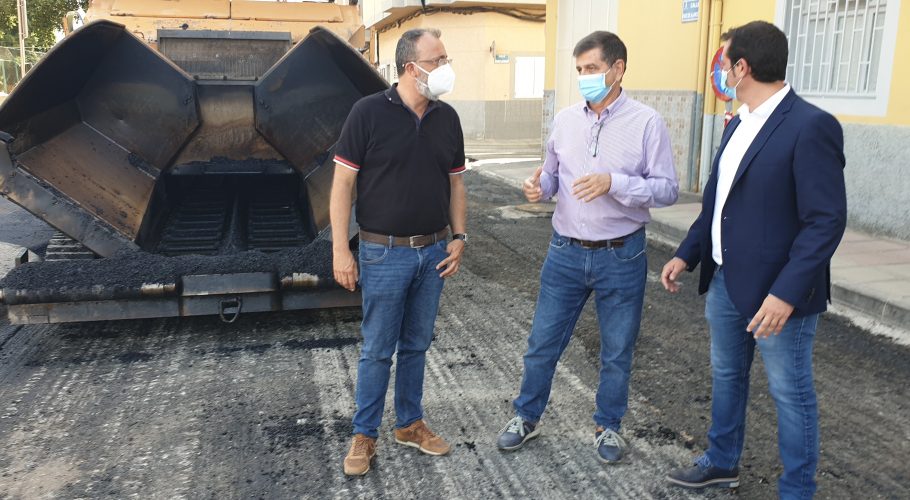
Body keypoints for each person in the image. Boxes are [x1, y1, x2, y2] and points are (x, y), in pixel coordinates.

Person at [660, 21, 847, 498]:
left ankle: (797, 490)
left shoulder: (811, 125)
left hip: (778, 297)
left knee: (790, 393)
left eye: (724, 64)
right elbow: (719, 204)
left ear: (741, 67)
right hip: (726, 283)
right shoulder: (739, 122)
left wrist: (786, 294)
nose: (721, 73)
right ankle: (721, 462)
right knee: (727, 377)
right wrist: (687, 254)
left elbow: (825, 221)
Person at [496, 31, 679, 463]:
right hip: (565, 251)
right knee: (542, 343)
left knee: (616, 350)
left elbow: (667, 189)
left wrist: (615, 183)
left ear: (617, 69)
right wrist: (538, 187)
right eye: (579, 70)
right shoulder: (565, 120)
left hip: (622, 253)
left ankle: (608, 426)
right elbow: (551, 175)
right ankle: (526, 416)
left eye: (592, 69)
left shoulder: (647, 123)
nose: (584, 77)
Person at [330, 28, 468, 476]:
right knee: (377, 349)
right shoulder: (368, 113)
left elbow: (456, 183)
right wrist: (340, 250)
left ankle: (409, 424)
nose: (446, 67)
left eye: (445, 58)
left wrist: (460, 237)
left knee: (416, 346)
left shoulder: (447, 118)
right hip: (383, 253)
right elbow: (342, 185)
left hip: (434, 253)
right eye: (438, 59)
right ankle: (364, 434)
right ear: (411, 67)